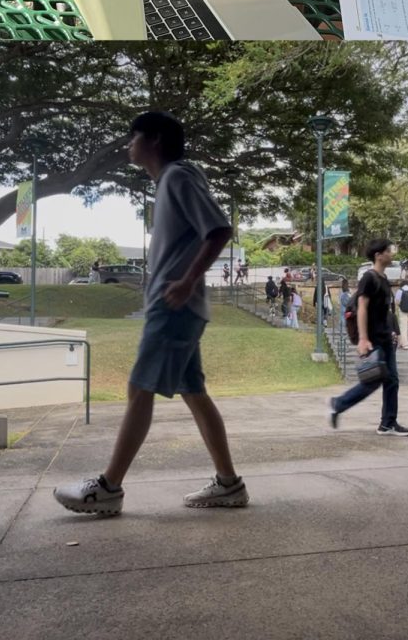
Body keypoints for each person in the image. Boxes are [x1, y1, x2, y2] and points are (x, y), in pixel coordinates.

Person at [54, 111, 249, 515]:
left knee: (139, 389)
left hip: (174, 305)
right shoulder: (169, 182)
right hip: (177, 305)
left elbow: (219, 230)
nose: (128, 145)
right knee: (194, 393)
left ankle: (108, 488)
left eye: (133, 137)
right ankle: (229, 484)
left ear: (154, 140)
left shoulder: (178, 176)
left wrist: (187, 281)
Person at [328, 239, 408, 436]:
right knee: (373, 380)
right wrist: (363, 339)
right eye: (388, 251)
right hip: (373, 338)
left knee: (392, 381)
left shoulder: (383, 279)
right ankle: (338, 404)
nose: (392, 254)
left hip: (385, 337)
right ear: (378, 255)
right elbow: (362, 307)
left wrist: (392, 332)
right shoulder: (369, 278)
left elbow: (383, 312)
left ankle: (387, 423)